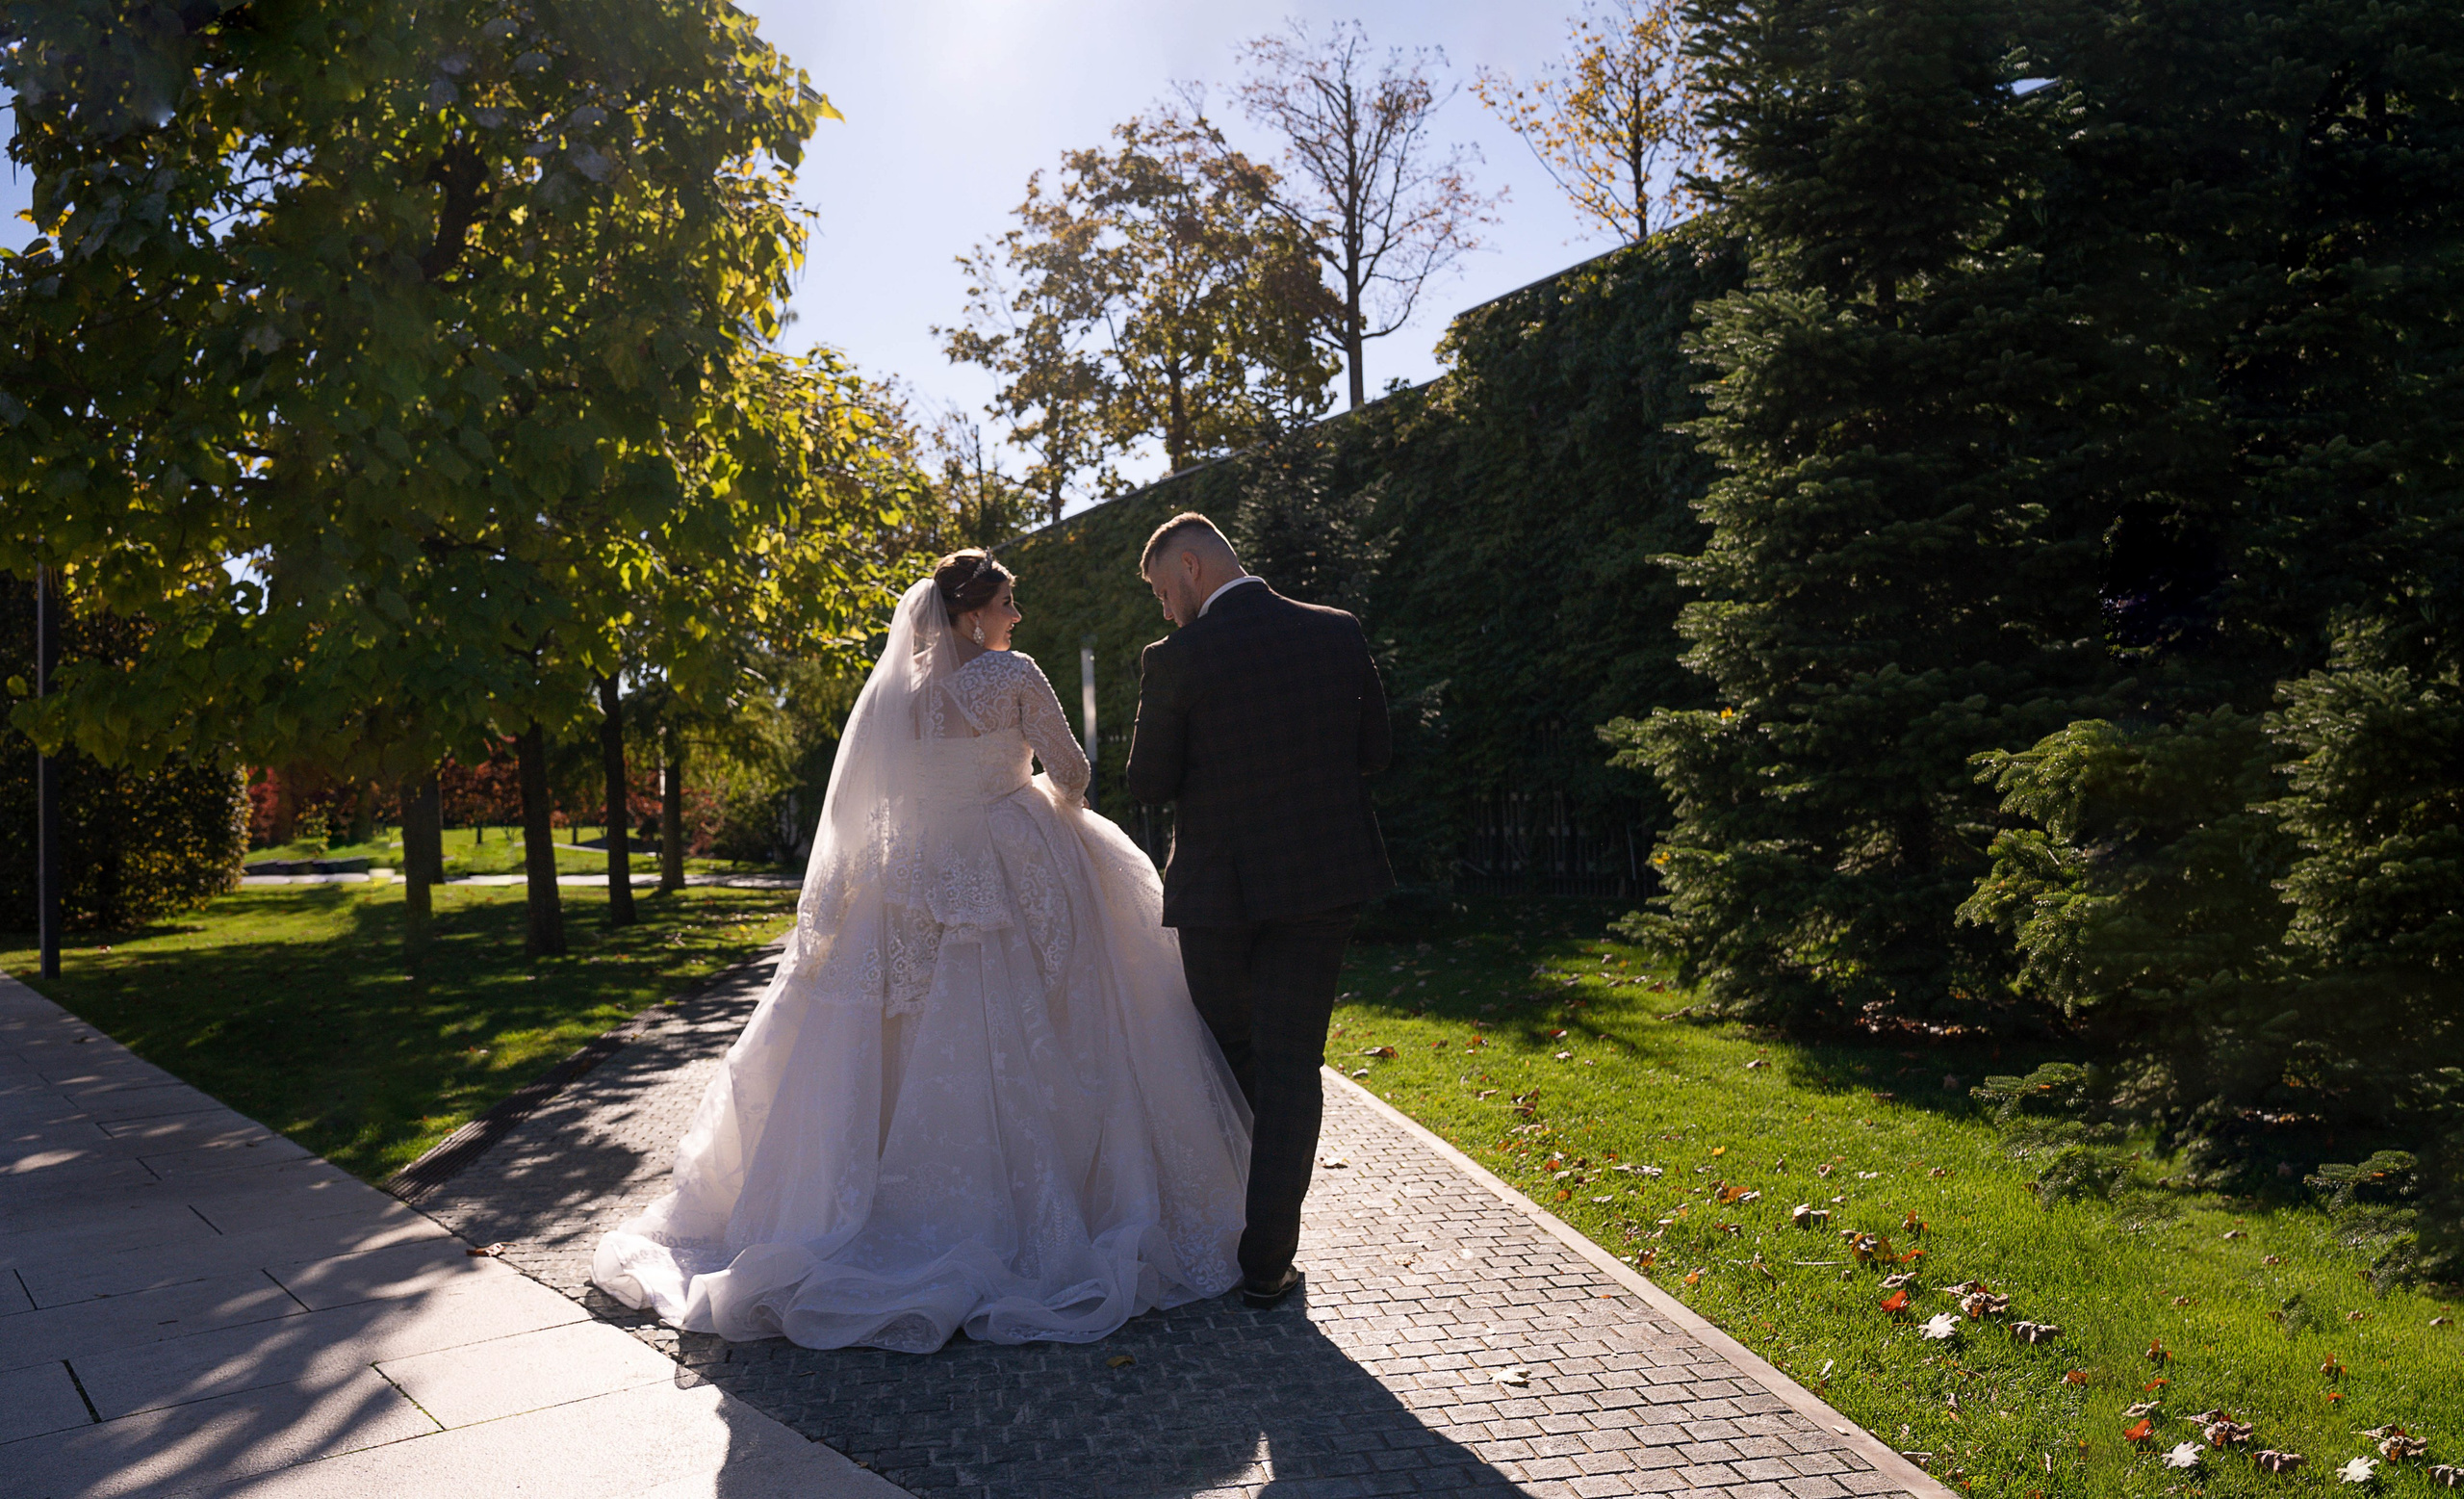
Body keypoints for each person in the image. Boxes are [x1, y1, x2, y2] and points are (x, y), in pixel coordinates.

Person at [593, 552, 1250, 1353]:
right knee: (1040, 1015)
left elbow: (868, 802)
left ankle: (894, 1205)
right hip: (1011, 855)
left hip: (912, 871)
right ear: (973, 614)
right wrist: (1044, 801)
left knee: (900, 1032)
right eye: (1007, 603)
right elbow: (1073, 772)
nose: (1016, 617)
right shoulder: (1015, 675)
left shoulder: (898, 692)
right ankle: (1031, 1212)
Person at [1125, 513, 1395, 1309]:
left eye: (1161, 590)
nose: (1163, 608)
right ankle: (1269, 1259)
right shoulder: (1337, 632)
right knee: (1292, 1064)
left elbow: (1147, 782)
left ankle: (1241, 1213)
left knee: (1231, 1051)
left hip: (1219, 894)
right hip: (1322, 881)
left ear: (1191, 565)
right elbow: (1376, 751)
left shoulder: (1177, 657)